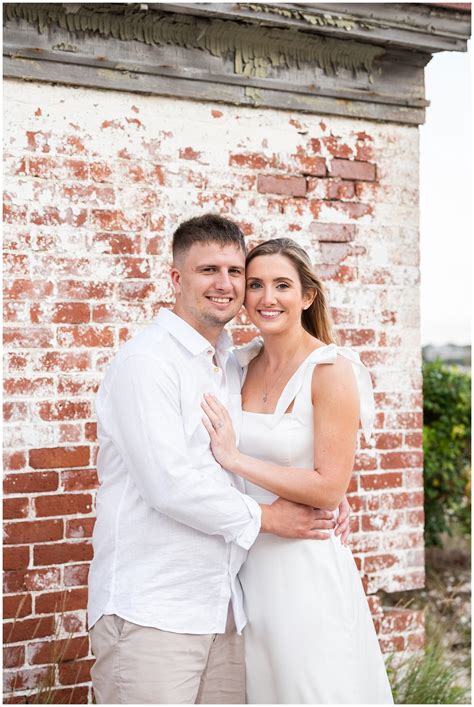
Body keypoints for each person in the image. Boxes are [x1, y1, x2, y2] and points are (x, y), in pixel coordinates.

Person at [87, 215, 351, 704]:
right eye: (208, 269)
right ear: (176, 279)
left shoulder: (231, 363)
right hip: (155, 609)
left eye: (235, 271)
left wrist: (319, 490)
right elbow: (170, 485)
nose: (225, 284)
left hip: (228, 608)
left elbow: (255, 449)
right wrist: (272, 516)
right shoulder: (147, 364)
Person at [201, 237, 394, 704]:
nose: (267, 298)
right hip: (248, 570)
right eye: (256, 285)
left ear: (307, 296)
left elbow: (328, 488)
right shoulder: (237, 364)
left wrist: (237, 459)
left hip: (305, 567)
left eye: (282, 285)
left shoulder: (331, 370)